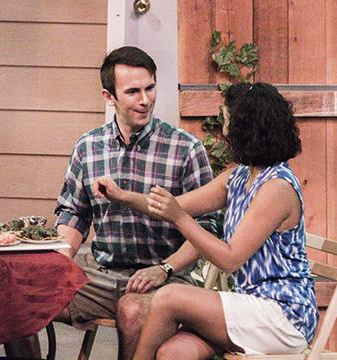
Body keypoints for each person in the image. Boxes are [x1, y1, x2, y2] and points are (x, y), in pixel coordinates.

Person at [128, 83, 316, 359]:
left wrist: (178, 218)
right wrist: (120, 195)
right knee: (174, 353)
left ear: (246, 129)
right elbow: (171, 206)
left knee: (169, 298)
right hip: (247, 306)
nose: (224, 131)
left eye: (227, 121)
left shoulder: (277, 187)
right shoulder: (238, 177)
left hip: (283, 315)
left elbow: (230, 259)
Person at [54, 46, 215, 360]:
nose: (145, 100)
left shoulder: (185, 148)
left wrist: (164, 269)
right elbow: (73, 213)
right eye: (132, 92)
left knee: (131, 311)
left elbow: (207, 228)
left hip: (163, 277)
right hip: (99, 275)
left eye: (150, 88)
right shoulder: (88, 147)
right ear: (108, 96)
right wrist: (60, 261)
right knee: (22, 298)